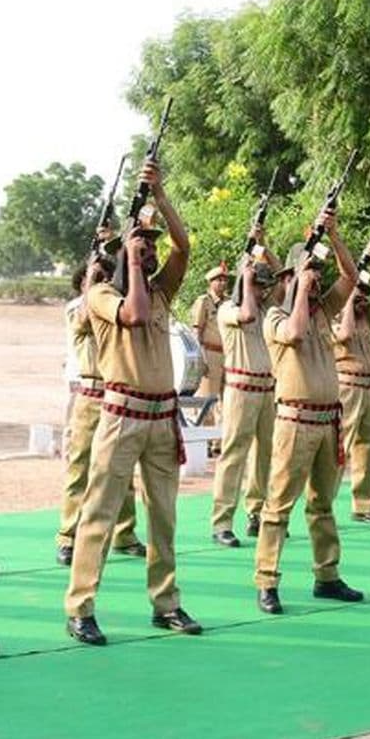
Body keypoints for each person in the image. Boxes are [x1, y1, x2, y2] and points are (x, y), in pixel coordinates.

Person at [65, 158, 201, 646]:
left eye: (151, 249)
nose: (150, 253)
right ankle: (80, 607)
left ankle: (166, 603)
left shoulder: (163, 287)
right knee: (99, 513)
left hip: (161, 416)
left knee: (163, 516)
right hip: (121, 416)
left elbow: (185, 245)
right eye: (142, 247)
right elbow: (136, 314)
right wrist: (129, 258)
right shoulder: (102, 293)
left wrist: (159, 196)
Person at [254, 210, 364, 615]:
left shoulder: (321, 309)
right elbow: (295, 334)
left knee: (322, 504)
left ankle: (327, 575)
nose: (315, 278)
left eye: (316, 273)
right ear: (287, 279)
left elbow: (352, 279)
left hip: (327, 421)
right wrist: (300, 287)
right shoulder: (277, 316)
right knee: (278, 505)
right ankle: (267, 579)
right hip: (295, 422)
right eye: (305, 272)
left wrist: (333, 237)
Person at [55, 260, 143, 567]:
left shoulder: (113, 306)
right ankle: (68, 535)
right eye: (95, 279)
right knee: (79, 467)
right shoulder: (76, 308)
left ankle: (124, 532)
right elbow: (82, 319)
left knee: (121, 468)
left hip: (116, 394)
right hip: (89, 395)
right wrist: (92, 282)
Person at [210, 237, 280, 546]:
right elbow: (247, 315)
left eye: (264, 286)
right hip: (240, 388)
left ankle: (256, 512)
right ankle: (222, 521)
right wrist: (246, 281)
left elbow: (284, 279)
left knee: (265, 453)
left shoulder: (267, 308)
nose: (264, 291)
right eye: (258, 285)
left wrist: (261, 246)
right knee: (234, 455)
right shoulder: (229, 308)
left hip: (266, 389)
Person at [334, 239, 370, 525]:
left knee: (367, 446)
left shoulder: (365, 316)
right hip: (348, 387)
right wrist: (348, 302)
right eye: (356, 294)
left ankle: (363, 504)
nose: (361, 299)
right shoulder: (335, 316)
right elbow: (342, 336)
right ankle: (325, 500)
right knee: (340, 447)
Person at [192, 263, 229, 426]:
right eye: (218, 280)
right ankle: (205, 438)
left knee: (226, 399)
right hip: (210, 352)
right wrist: (202, 359)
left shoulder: (228, 302)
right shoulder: (203, 301)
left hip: (227, 354)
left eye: (224, 280)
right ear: (211, 282)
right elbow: (196, 332)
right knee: (207, 397)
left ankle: (219, 441)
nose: (222, 283)